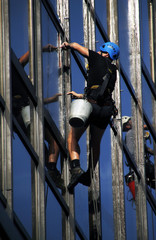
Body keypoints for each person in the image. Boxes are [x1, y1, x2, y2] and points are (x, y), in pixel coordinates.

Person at [61, 41, 120, 192]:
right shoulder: (113, 70)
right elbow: (101, 91)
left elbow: (77, 46)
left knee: (72, 138)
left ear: (105, 53)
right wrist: (81, 95)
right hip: (106, 110)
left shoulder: (96, 57)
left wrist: (67, 44)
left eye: (101, 51)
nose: (98, 52)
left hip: (92, 106)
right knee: (96, 143)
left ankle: (75, 169)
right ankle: (89, 175)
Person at [12, 44, 65, 191]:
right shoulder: (10, 70)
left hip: (23, 114)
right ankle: (52, 170)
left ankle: (52, 169)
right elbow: (21, 61)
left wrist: (52, 99)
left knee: (50, 142)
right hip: (24, 114)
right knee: (51, 141)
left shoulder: (15, 80)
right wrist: (40, 48)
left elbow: (31, 100)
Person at [122, 116, 155, 189]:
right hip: (142, 166)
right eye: (130, 121)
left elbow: (147, 149)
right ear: (127, 126)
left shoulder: (131, 136)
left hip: (142, 167)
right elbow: (143, 127)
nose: (133, 121)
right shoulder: (131, 133)